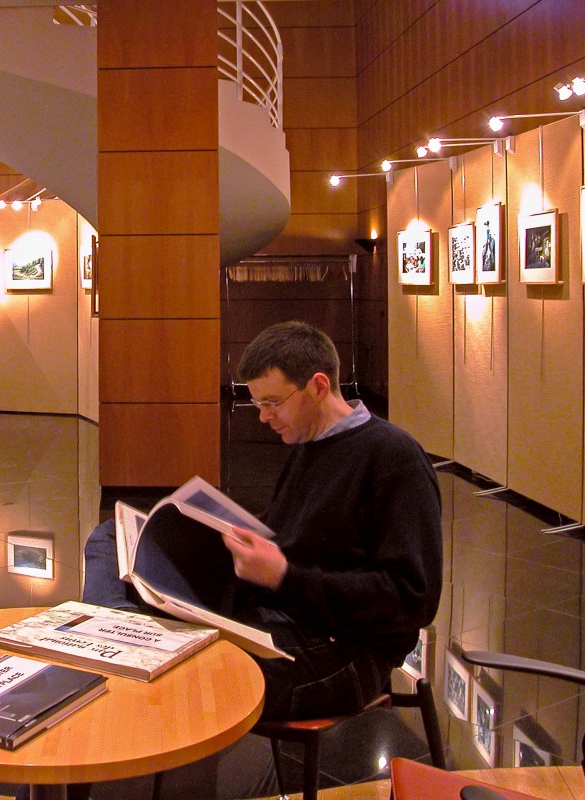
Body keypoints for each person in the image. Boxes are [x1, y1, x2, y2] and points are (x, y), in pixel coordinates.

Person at [78, 321, 442, 796]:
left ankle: (124, 639)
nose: (263, 416)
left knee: (187, 675)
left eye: (272, 402)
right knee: (110, 536)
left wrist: (286, 576)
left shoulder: (394, 458)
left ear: (318, 386)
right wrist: (218, 541)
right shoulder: (310, 445)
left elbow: (411, 601)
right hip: (276, 614)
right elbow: (288, 536)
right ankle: (124, 627)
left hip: (341, 648)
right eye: (258, 403)